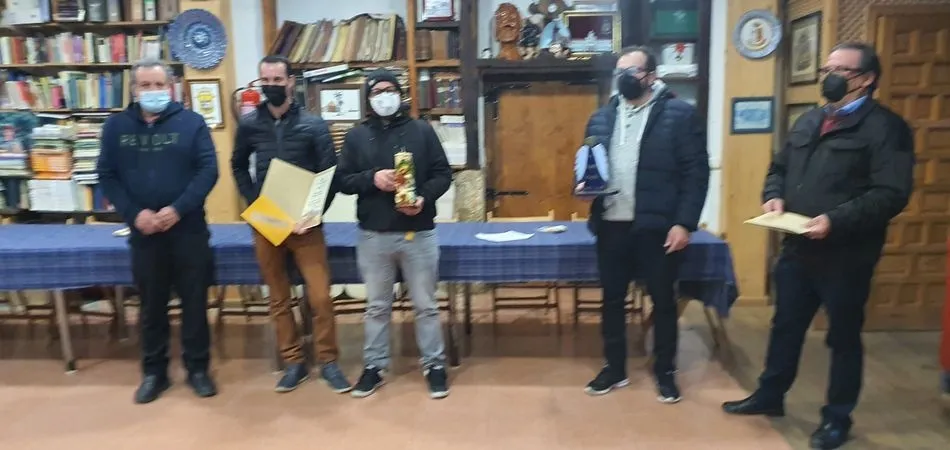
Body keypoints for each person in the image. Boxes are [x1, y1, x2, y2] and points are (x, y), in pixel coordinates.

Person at [722, 42, 914, 450]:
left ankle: (837, 418)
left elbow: (891, 193)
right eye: (827, 69)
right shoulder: (810, 119)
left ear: (866, 79)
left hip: (846, 254)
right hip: (797, 247)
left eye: (841, 70)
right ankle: (770, 395)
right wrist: (773, 195)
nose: (829, 76)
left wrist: (835, 220)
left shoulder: (886, 128)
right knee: (785, 326)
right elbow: (778, 168)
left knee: (842, 338)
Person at [578, 46, 709, 403]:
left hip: (659, 226)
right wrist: (586, 188)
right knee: (612, 300)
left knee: (663, 301)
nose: (624, 78)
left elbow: (696, 174)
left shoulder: (680, 115)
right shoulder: (601, 117)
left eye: (631, 71)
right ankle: (614, 368)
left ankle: (665, 370)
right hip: (611, 224)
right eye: (619, 71)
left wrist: (684, 223)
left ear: (652, 76)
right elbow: (590, 165)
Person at [97, 58, 219, 404]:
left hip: (189, 231)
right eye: (145, 85)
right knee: (151, 307)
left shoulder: (192, 123)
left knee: (194, 304)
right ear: (134, 90)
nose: (153, 91)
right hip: (144, 234)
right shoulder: (116, 126)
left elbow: (208, 171)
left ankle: (198, 369)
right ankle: (154, 373)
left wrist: (177, 209)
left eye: (159, 85)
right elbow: (107, 175)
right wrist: (134, 214)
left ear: (171, 87)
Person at [231, 55, 351, 394]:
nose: (271, 85)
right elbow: (238, 165)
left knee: (320, 296)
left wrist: (313, 214)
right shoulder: (249, 124)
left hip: (306, 224)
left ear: (290, 82)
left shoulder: (314, 125)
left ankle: (328, 361)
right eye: (265, 80)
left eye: (277, 79)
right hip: (267, 222)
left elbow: (330, 175)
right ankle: (294, 362)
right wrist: (255, 203)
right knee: (279, 297)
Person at [337, 69, 453, 400]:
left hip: (419, 232)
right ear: (369, 98)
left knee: (426, 305)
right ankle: (374, 366)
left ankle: (434, 365)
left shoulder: (422, 130)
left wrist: (424, 198)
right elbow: (342, 180)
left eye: (390, 90)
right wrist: (371, 179)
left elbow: (443, 174)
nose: (384, 96)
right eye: (377, 91)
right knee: (377, 306)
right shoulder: (356, 136)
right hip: (374, 235)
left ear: (400, 95)